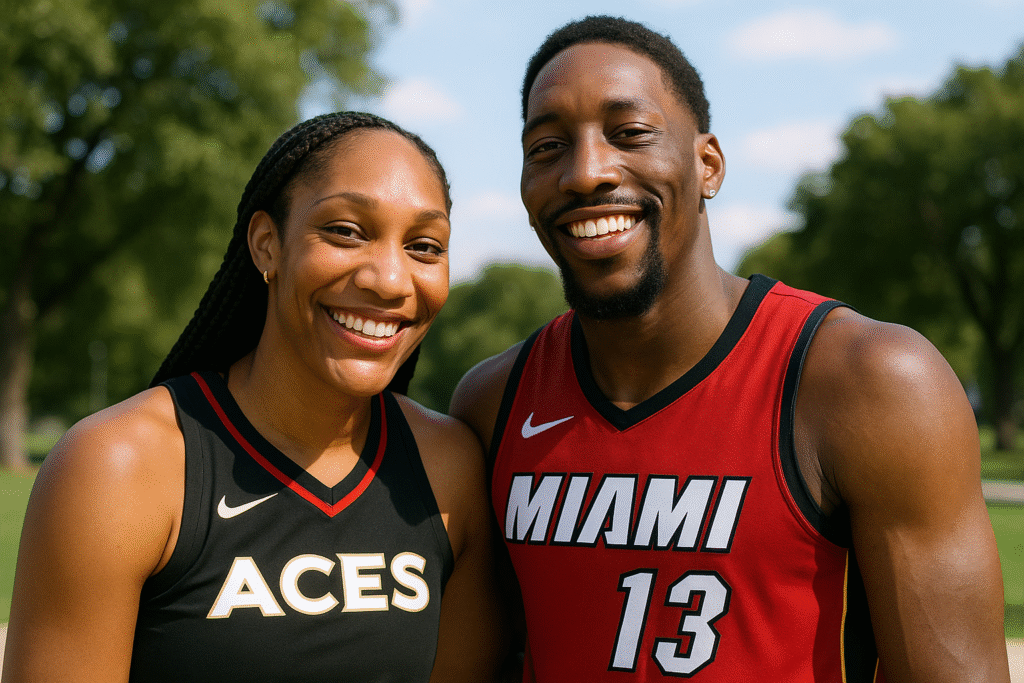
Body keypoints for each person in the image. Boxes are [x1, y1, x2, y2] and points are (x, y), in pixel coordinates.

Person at [450, 16, 1011, 682]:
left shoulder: (871, 382)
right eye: (546, 147)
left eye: (629, 133)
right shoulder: (492, 403)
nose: (585, 172)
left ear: (707, 164)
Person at [3, 112, 506, 683]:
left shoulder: (449, 470)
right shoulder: (119, 467)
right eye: (345, 231)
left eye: (424, 245)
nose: (389, 280)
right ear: (267, 244)